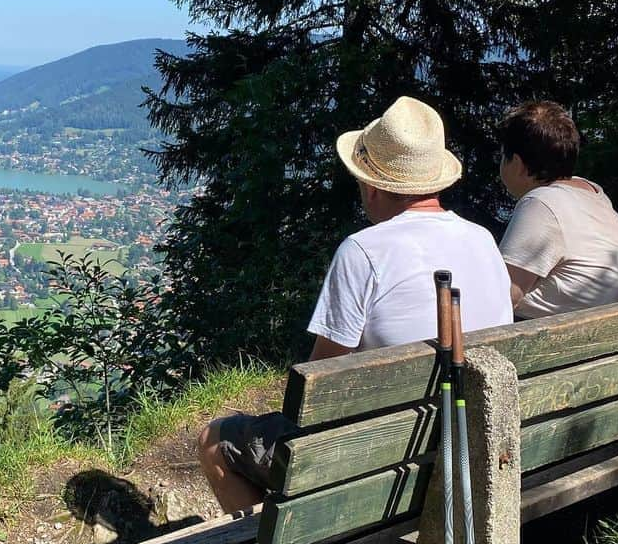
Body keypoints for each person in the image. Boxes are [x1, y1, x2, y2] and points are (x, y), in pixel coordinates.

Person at [198, 95, 513, 512]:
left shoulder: (364, 250)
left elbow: (320, 382)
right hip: (470, 447)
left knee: (214, 438)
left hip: (383, 462)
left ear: (372, 184)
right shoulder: (483, 240)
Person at [497, 100, 618, 318]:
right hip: (613, 341)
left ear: (519, 164)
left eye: (502, 156)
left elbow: (503, 295)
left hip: (566, 348)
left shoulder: (543, 202)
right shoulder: (593, 195)